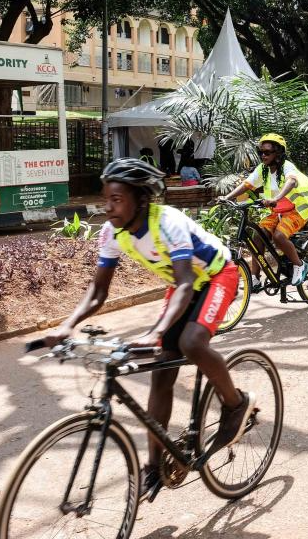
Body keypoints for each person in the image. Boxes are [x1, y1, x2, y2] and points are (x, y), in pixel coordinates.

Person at [44, 158, 253, 495]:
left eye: (117, 199)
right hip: (181, 284)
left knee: (192, 343)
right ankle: (154, 467)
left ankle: (234, 403)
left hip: (215, 276)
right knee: (160, 372)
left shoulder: (167, 222)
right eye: (106, 198)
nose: (108, 207)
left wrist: (156, 332)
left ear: (140, 199)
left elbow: (186, 284)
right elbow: (98, 291)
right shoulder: (112, 232)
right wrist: (66, 326)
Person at [222, 134, 308, 289]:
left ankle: (300, 265)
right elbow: (247, 185)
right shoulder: (263, 170)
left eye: (267, 152)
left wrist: (276, 198)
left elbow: (291, 181)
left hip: (297, 211)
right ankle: (255, 278)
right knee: (257, 235)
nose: (263, 155)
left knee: (279, 236)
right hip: (278, 212)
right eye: (261, 152)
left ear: (278, 153)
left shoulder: (287, 166)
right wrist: (227, 197)